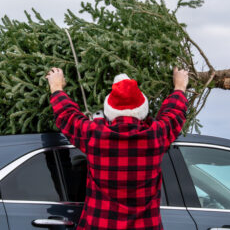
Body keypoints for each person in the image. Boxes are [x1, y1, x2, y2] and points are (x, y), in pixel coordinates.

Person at [46, 67, 188, 230]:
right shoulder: (155, 136)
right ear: (142, 110)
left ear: (109, 111)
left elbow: (68, 115)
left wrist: (56, 88)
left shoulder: (95, 136)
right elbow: (174, 113)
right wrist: (180, 86)